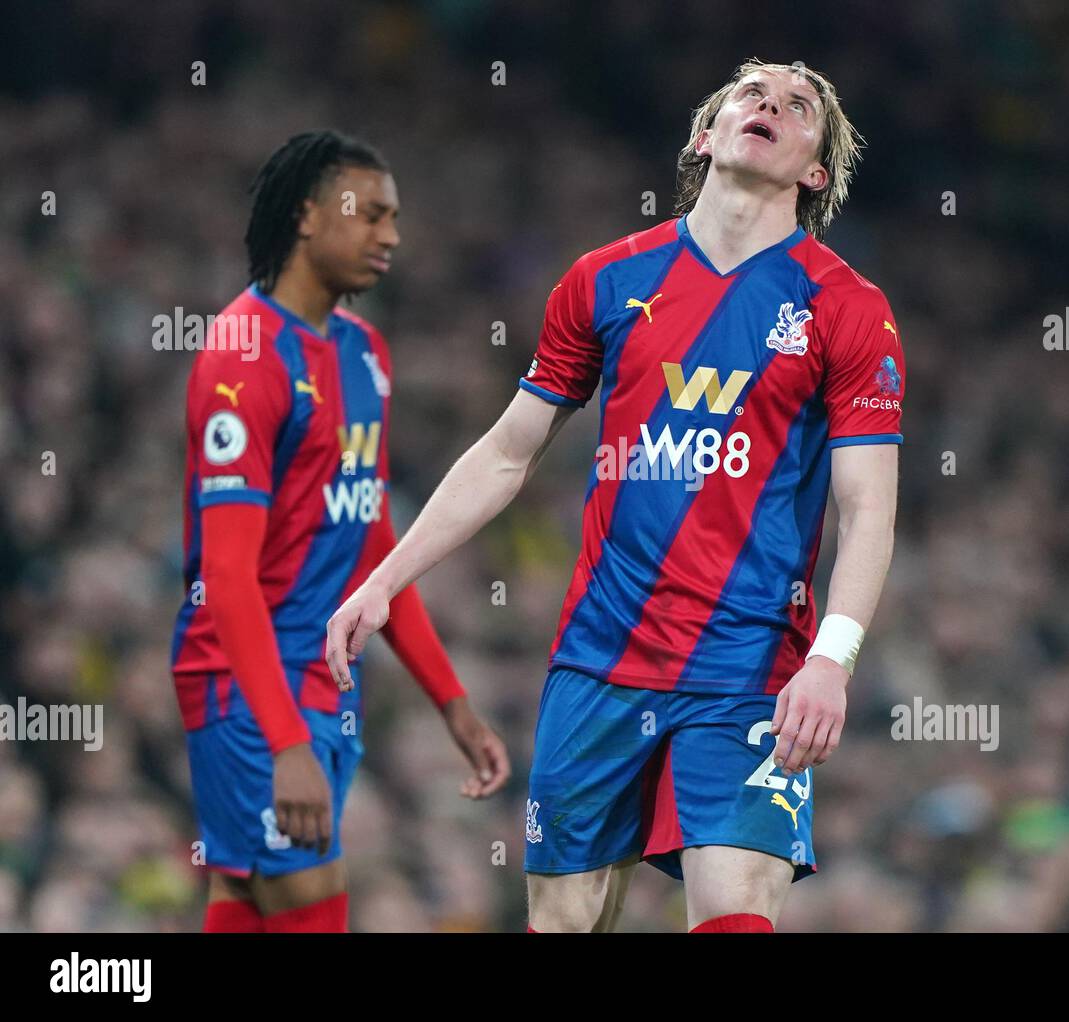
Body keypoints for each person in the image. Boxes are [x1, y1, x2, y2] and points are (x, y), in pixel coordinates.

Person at [327, 59, 903, 933]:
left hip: (748, 669)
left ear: (815, 170)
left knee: (736, 908)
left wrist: (833, 659)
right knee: (565, 923)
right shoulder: (603, 280)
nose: (771, 106)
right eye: (752, 94)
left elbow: (868, 506)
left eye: (798, 107)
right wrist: (383, 579)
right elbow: (508, 451)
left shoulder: (846, 308)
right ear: (706, 136)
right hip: (602, 657)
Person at [172, 131, 510, 933]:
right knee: (311, 910)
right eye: (371, 214)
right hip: (246, 687)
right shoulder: (240, 355)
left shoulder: (366, 354)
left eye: (396, 218)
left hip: (319, 687)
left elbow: (371, 543)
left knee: (246, 902)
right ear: (306, 215)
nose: (390, 234)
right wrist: (283, 738)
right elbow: (225, 577)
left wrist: (452, 705)